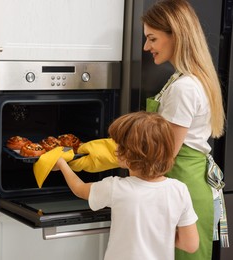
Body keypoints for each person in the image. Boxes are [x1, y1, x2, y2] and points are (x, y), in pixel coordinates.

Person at [142, 0, 226, 259]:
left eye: (152, 38)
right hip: (185, 184)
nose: (147, 47)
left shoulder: (184, 88)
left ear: (175, 35)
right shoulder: (180, 80)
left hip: (182, 189)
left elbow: (165, 154)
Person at [53, 111, 199, 260]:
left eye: (118, 145)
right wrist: (159, 233)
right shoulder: (179, 190)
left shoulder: (115, 188)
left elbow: (79, 188)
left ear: (126, 155)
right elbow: (190, 244)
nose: (115, 150)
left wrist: (62, 164)